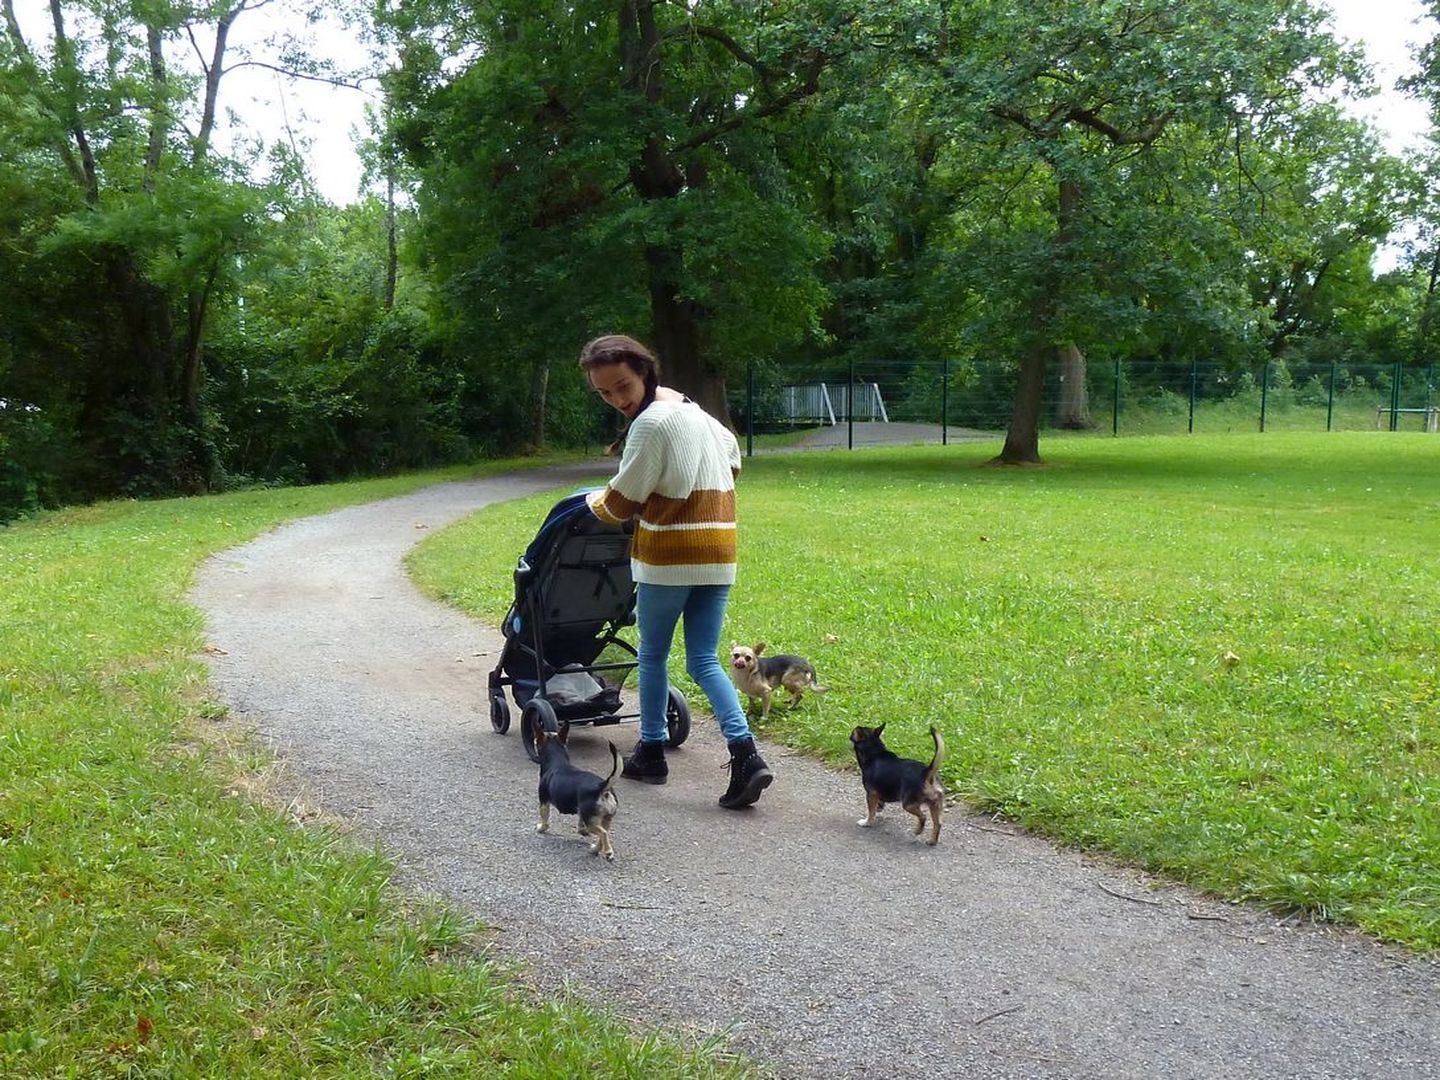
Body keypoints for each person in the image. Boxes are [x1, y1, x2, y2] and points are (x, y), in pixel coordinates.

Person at [580, 334, 774, 809]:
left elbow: (619, 502)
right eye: (605, 393)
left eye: (622, 385)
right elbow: (733, 461)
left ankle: (650, 750)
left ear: (646, 371)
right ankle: (746, 754)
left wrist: (591, 501)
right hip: (719, 549)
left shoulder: (651, 424)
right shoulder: (699, 415)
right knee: (705, 660)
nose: (618, 399)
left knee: (652, 655)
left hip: (669, 557)